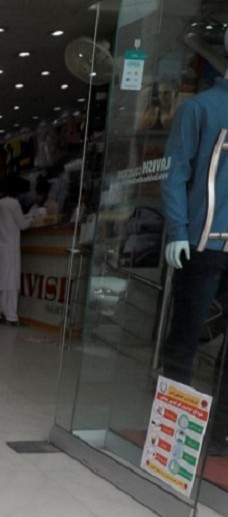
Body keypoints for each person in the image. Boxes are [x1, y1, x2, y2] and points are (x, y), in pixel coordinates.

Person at [161, 30, 228, 454]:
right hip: (202, 245)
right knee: (185, 336)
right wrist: (178, 231)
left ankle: (219, 433)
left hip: (210, 242)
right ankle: (172, 429)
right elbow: (176, 174)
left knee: (191, 337)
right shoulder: (199, 108)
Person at [0, 177, 32, 325]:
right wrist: (32, 216)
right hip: (10, 248)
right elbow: (23, 224)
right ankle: (11, 316)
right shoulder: (14, 204)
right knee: (11, 282)